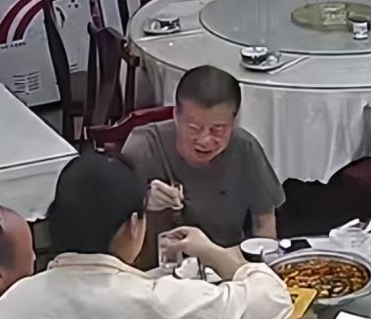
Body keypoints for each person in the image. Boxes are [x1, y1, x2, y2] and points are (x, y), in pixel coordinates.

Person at [0, 152, 292, 319]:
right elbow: (274, 300)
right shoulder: (161, 304)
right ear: (133, 226)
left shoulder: (10, 306)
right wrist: (212, 252)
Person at [122, 65, 285, 264]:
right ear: (175, 116)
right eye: (194, 128)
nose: (205, 140)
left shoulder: (245, 148)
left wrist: (263, 270)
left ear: (234, 121)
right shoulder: (144, 147)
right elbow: (111, 223)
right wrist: (141, 200)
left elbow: (264, 221)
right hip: (157, 271)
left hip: (225, 264)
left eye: (218, 130)